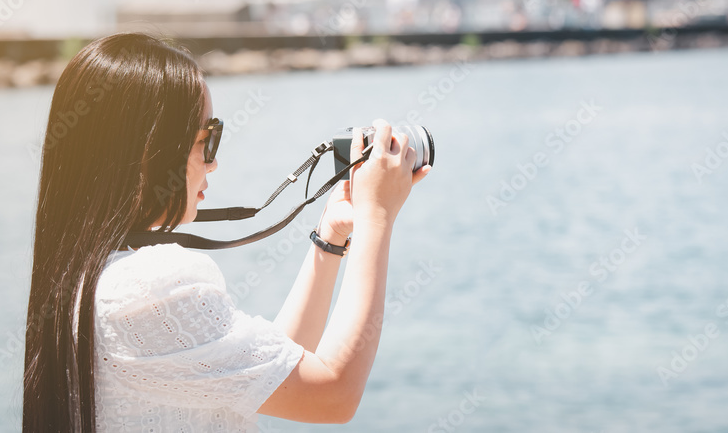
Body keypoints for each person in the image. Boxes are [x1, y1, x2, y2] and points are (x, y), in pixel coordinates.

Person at [22, 32, 431, 432]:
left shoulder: (85, 277)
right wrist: (378, 216)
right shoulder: (150, 287)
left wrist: (330, 236)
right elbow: (333, 395)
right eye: (207, 138)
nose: (213, 163)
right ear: (149, 150)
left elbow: (272, 372)